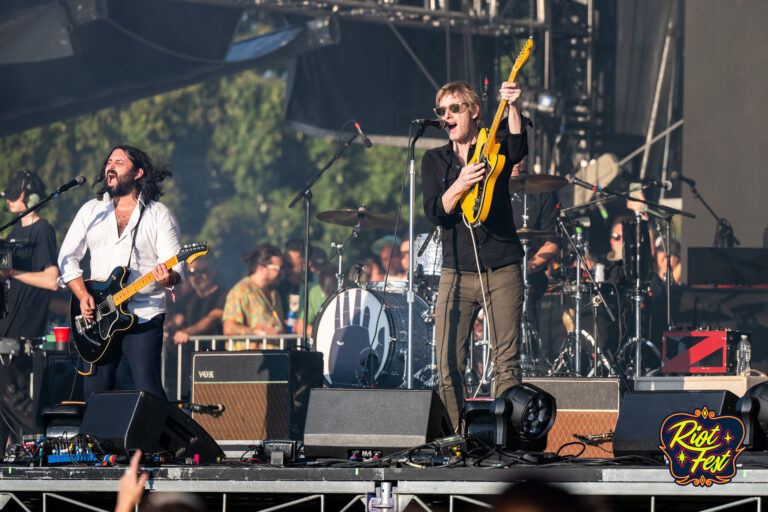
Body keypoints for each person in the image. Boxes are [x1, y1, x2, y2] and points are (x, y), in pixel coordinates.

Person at [422, 80, 527, 429]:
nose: (447, 116)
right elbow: (435, 211)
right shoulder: (435, 160)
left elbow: (518, 146)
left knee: (506, 361)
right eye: (442, 111)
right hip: (457, 271)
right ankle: (454, 439)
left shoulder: (492, 143)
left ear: (474, 111)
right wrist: (462, 182)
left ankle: (506, 440)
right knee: (447, 361)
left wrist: (512, 107)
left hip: (502, 266)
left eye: (455, 108)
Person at [58, 145, 181, 401]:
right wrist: (82, 295)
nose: (110, 166)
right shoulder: (91, 211)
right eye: (109, 162)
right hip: (98, 315)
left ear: (138, 172)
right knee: (94, 391)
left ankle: (152, 441)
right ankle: (100, 441)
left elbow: (176, 269)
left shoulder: (159, 215)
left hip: (144, 314)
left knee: (148, 390)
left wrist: (167, 278)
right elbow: (67, 257)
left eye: (119, 162)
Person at [0, 170, 60, 449]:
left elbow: (51, 279)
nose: (11, 200)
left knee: (13, 397)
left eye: (17, 194)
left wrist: (14, 273)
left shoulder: (43, 230)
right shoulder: (13, 232)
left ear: (30, 197)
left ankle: (50, 444)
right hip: (6, 323)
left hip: (24, 327)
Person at [509, 156, 559, 328]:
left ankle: (529, 352)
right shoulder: (487, 189)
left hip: (528, 274)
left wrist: (525, 269)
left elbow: (552, 244)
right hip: (493, 271)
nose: (515, 161)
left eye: (519, 155)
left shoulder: (541, 190)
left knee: (523, 294)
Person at [222, 243, 285, 337]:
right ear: (261, 268)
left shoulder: (274, 293)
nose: (282, 272)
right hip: (251, 351)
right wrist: (261, 332)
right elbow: (229, 328)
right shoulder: (241, 291)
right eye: (278, 269)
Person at [172, 258, 226, 345]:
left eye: (202, 271)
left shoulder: (223, 295)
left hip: (215, 353)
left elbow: (213, 319)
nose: (197, 276)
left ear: (211, 272)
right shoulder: (187, 299)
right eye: (192, 272)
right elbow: (177, 321)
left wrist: (187, 332)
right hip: (190, 355)